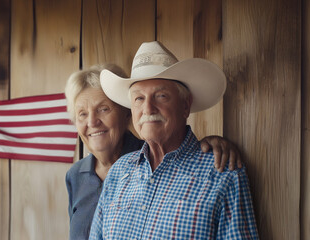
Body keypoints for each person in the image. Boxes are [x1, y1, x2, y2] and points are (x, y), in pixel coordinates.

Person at [89, 41, 259, 239]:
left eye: (161, 96)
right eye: (139, 98)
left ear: (185, 106)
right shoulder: (119, 172)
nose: (148, 108)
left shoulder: (223, 174)